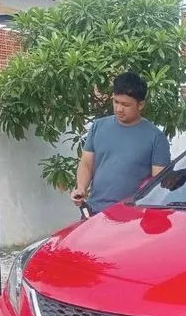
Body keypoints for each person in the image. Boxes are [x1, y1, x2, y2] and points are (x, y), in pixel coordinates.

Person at [70, 72, 171, 214]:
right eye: (116, 102)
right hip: (94, 213)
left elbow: (158, 186)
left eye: (125, 104)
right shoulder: (98, 127)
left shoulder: (156, 138)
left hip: (132, 218)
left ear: (140, 105)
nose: (118, 109)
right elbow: (87, 163)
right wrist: (81, 187)